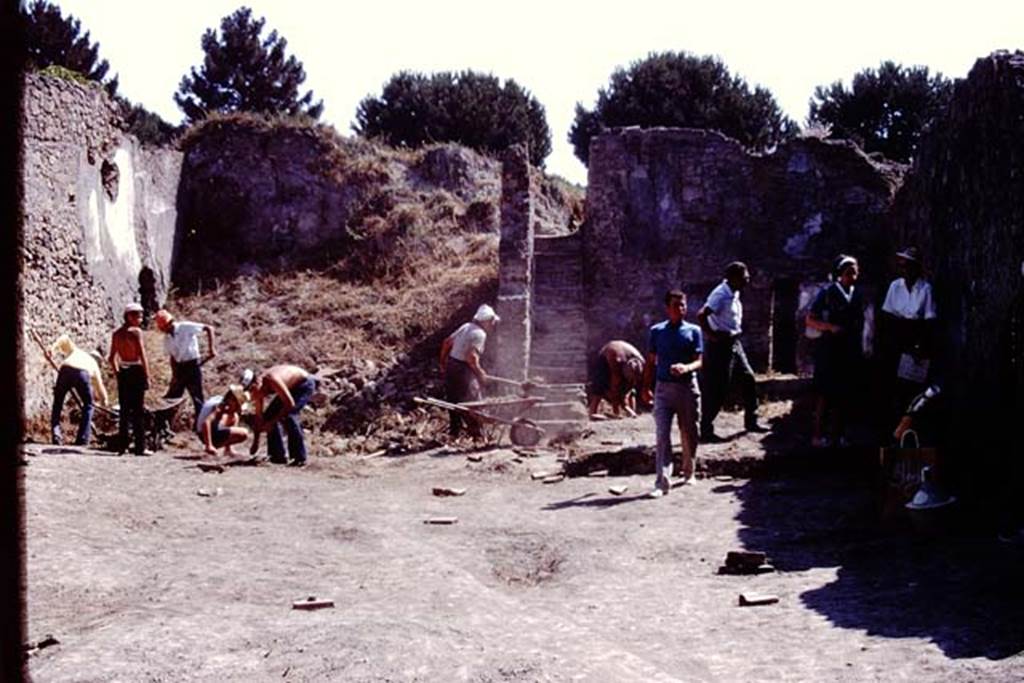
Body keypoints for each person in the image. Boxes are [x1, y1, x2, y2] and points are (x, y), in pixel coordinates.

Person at [640, 290, 703, 497]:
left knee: (689, 431)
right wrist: (645, 387)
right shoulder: (657, 331)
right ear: (668, 308)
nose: (681, 309)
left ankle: (689, 472)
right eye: (676, 305)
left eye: (683, 305)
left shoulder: (694, 331)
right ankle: (662, 483)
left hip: (687, 388)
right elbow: (650, 361)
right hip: (663, 389)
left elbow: (700, 360)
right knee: (662, 435)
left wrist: (687, 367)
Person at [697, 261, 765, 441]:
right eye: (745, 277)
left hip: (734, 342)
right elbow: (702, 315)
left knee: (748, 378)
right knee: (718, 388)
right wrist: (712, 336)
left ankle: (752, 421)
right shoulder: (720, 294)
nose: (748, 280)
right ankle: (705, 429)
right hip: (721, 345)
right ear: (734, 278)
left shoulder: (734, 292)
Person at [806, 255, 865, 448]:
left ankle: (839, 436)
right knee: (824, 393)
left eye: (855, 273)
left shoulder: (857, 294)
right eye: (849, 273)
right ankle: (817, 435)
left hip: (850, 349)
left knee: (844, 394)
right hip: (830, 349)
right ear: (840, 274)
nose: (853, 276)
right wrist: (830, 327)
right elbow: (810, 319)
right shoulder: (828, 293)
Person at [879, 246, 938, 424]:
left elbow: (929, 320)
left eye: (908, 266)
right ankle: (892, 425)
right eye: (902, 266)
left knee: (911, 386)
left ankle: (910, 425)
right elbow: (887, 316)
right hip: (896, 335)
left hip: (915, 336)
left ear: (917, 268)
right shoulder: (895, 286)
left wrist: (919, 345)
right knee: (893, 384)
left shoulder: (925, 288)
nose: (904, 270)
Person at [438, 304, 500, 440]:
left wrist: (443, 363)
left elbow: (446, 342)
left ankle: (454, 433)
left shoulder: (466, 326)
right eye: (492, 322)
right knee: (473, 402)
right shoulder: (480, 334)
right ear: (487, 320)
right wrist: (480, 373)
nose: (492, 324)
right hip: (463, 370)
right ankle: (478, 436)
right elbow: (471, 358)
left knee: (453, 402)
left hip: (451, 366)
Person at [246, 364, 318, 466]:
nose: (253, 393)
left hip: (303, 384)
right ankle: (277, 456)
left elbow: (290, 404)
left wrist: (272, 423)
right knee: (269, 415)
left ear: (257, 382)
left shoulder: (272, 379)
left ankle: (299, 458)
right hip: (289, 388)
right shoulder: (258, 389)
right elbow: (259, 417)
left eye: (252, 389)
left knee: (290, 416)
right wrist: (255, 442)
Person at [46, 334, 109, 445]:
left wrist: (52, 349)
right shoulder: (94, 365)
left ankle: (56, 435)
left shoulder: (76, 351)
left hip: (65, 369)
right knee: (89, 405)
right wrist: (105, 401)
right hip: (82, 374)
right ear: (99, 361)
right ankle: (83, 439)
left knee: (57, 404)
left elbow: (64, 338)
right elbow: (100, 387)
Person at [154, 309, 216, 418]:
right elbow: (172, 357)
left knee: (197, 397)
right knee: (173, 397)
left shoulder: (185, 327)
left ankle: (201, 426)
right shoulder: (167, 339)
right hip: (180, 368)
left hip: (192, 365)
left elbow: (209, 328)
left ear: (169, 323)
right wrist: (174, 375)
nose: (164, 330)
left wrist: (211, 349)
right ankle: (166, 421)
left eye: (164, 327)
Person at [108, 302, 150, 455]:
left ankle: (122, 446)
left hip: (124, 371)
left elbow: (111, 357)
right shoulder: (136, 332)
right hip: (136, 370)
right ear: (129, 316)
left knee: (124, 411)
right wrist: (147, 375)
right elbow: (142, 355)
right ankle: (140, 447)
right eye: (138, 315)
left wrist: (118, 373)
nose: (140, 318)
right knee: (138, 410)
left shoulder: (117, 334)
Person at [586, 340, 645, 418]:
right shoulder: (615, 360)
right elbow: (615, 386)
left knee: (631, 389)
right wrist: (617, 409)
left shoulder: (642, 362)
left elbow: (634, 381)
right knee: (599, 386)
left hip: (625, 358)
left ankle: (631, 412)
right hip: (606, 356)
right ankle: (593, 412)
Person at [196, 384, 249, 457]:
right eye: (237, 406)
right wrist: (209, 445)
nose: (237, 409)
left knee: (234, 416)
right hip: (204, 434)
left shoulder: (220, 401)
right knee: (244, 433)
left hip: (206, 433)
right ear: (231, 399)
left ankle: (228, 449)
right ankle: (211, 447)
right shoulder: (219, 406)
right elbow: (206, 423)